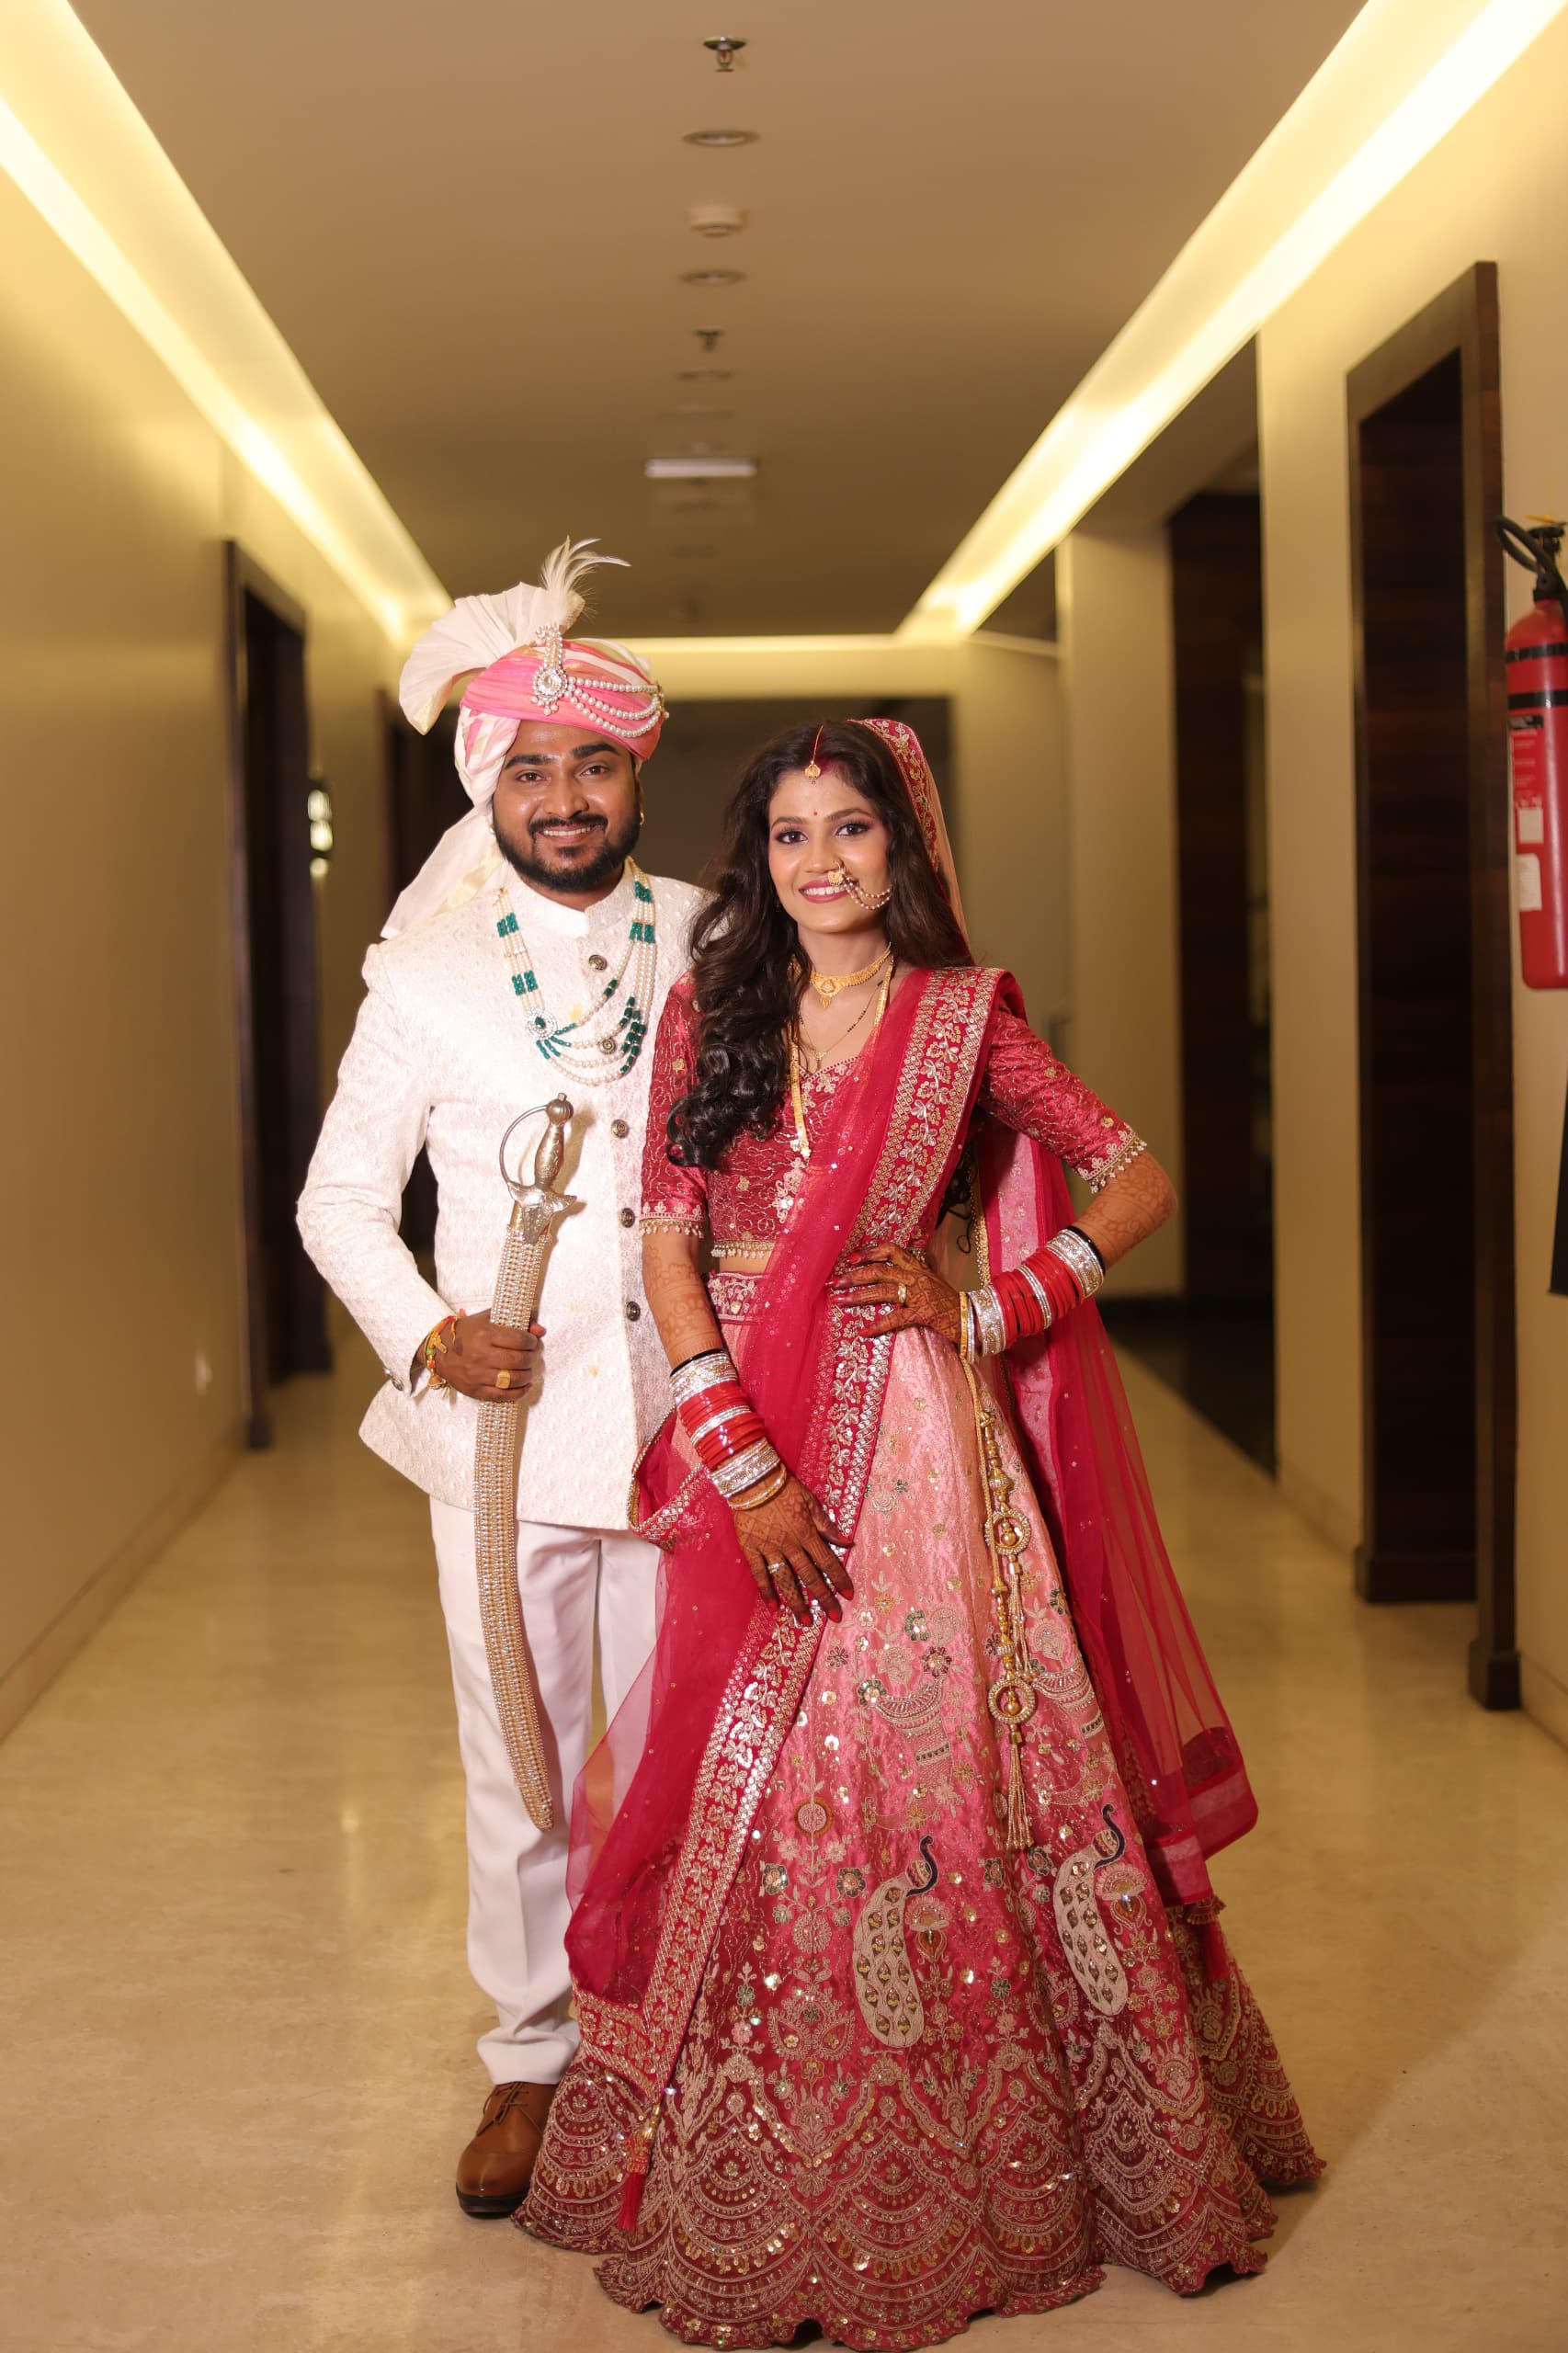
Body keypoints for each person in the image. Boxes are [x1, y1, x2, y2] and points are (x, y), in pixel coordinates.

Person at [522, 716, 1320, 2346]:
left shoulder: (964, 1021)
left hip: (913, 1446)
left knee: (930, 1762)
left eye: (851, 828)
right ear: (759, 861)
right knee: (758, 1768)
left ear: (901, 846)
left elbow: (1131, 1175)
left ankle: (1010, 2155)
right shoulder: (709, 1010)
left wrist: (996, 1304)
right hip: (747, 1416)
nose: (820, 861)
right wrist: (738, 1460)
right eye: (790, 835)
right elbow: (668, 1246)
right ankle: (763, 2145)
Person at [297, 541, 706, 2219]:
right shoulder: (428, 974)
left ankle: (671, 2043)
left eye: (592, 765)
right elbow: (337, 1200)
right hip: (502, 1438)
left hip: (689, 1419)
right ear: (489, 785)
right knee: (521, 1754)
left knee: (683, 1749)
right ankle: (530, 2056)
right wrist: (427, 1332)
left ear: (633, 777)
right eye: (529, 769)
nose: (563, 797)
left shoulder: (716, 936)